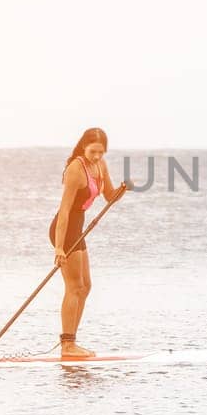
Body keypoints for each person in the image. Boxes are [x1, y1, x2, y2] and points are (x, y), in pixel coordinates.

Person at [50, 127, 129, 359]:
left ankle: (72, 342)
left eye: (101, 152)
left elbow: (109, 195)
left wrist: (124, 189)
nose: (96, 156)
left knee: (86, 286)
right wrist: (59, 247)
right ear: (84, 146)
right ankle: (67, 345)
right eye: (93, 151)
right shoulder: (75, 168)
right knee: (74, 286)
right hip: (65, 230)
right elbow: (64, 211)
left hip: (79, 229)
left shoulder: (100, 165)